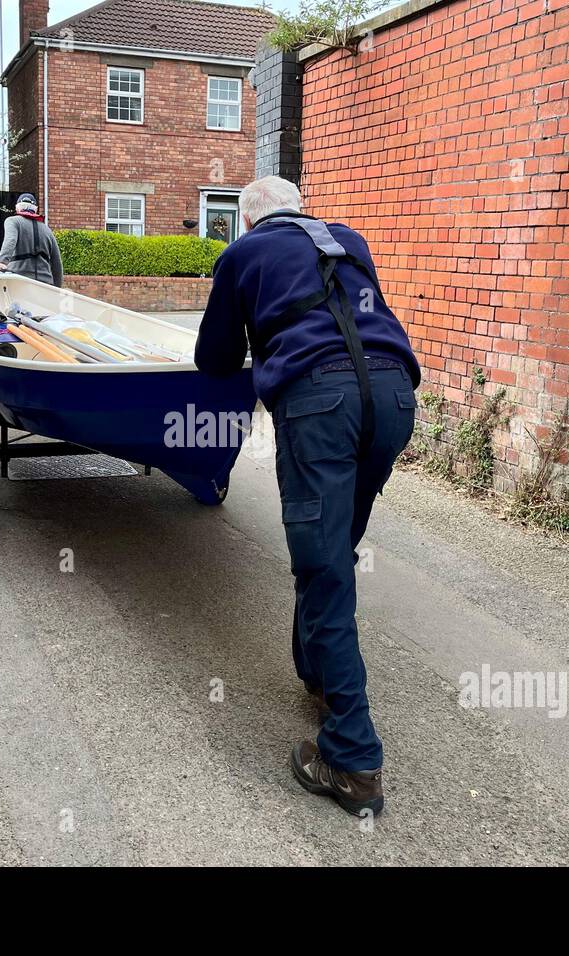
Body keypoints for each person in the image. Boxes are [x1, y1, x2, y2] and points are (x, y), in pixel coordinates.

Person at [194, 176, 420, 817]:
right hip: (395, 396)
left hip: (320, 404)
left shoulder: (242, 255)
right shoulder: (348, 240)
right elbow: (357, 318)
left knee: (324, 571)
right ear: (299, 210)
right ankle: (319, 672)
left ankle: (351, 760)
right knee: (334, 550)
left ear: (249, 221)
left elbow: (213, 359)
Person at [0, 193, 63, 287]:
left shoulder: (12, 221)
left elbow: (10, 240)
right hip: (45, 284)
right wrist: (57, 287)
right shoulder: (47, 229)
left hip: (19, 280)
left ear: (17, 208)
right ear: (36, 209)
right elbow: (57, 262)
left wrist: (2, 262)